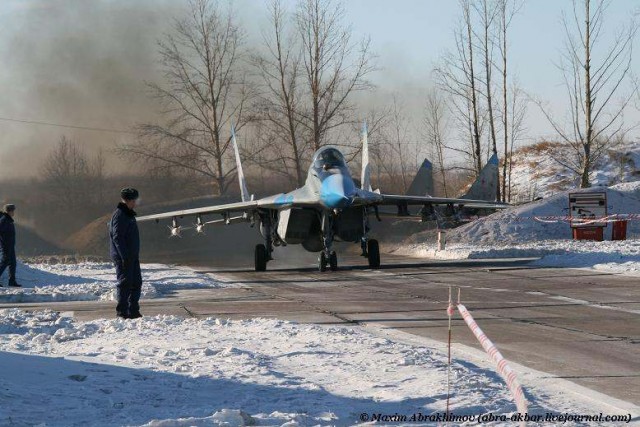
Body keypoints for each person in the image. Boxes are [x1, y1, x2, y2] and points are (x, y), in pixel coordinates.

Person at [109, 188, 142, 319]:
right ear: (128, 200)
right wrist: (124, 256)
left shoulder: (129, 214)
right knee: (125, 284)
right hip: (124, 257)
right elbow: (118, 237)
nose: (135, 203)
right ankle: (122, 312)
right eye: (134, 200)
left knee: (136, 283)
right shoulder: (120, 215)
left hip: (132, 256)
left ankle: (133, 310)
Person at [0, 204, 20, 287]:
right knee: (5, 262)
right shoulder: (4, 220)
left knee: (13, 263)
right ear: (9, 211)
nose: (14, 212)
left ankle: (12, 281)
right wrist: (3, 243)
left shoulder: (9, 220)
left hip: (11, 246)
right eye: (13, 210)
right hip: (6, 246)